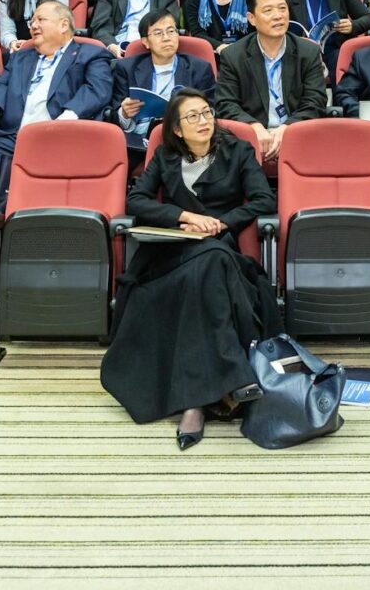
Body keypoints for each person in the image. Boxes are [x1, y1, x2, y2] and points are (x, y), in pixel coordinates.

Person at [101, 88, 281, 447]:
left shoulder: (238, 151)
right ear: (177, 130)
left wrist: (219, 223)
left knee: (212, 263)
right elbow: (134, 198)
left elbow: (264, 198)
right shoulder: (165, 156)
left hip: (218, 246)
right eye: (193, 117)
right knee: (205, 273)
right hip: (170, 251)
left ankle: (194, 403)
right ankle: (231, 377)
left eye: (207, 113)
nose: (204, 121)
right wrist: (185, 216)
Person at [0, 1, 113, 278]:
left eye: (40, 20)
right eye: (32, 20)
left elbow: (97, 90)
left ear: (64, 25)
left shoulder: (89, 54)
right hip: (15, 135)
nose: (32, 25)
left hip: (61, 138)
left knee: (13, 169)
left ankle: (0, 246)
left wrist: (64, 122)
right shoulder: (22, 57)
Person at [215, 0, 327, 161]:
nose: (278, 16)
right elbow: (226, 103)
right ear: (251, 18)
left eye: (282, 8)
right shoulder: (233, 55)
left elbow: (316, 100)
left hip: (298, 133)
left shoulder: (308, 51)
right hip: (250, 137)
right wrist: (253, 126)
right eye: (268, 10)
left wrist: (288, 127)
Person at [112, 11, 216, 162]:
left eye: (171, 31)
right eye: (158, 33)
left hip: (184, 140)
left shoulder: (199, 69)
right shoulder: (127, 68)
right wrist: (124, 113)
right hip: (137, 141)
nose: (166, 38)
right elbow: (114, 112)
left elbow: (212, 110)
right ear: (145, 42)